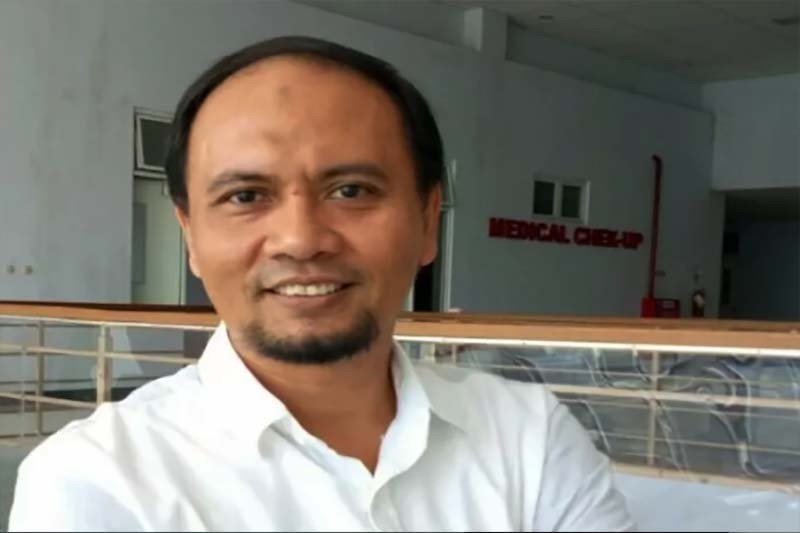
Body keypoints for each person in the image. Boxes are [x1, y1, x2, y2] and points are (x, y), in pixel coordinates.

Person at [9, 36, 634, 531]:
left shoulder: (527, 436)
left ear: (427, 221)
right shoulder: (99, 480)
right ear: (191, 236)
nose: (301, 239)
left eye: (351, 190)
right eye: (245, 196)